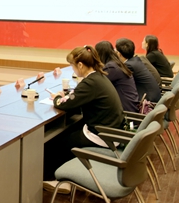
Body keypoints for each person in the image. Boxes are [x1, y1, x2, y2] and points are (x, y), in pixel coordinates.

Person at [43, 46, 126, 194]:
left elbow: (65, 104)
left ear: (80, 65)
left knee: (56, 142)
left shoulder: (90, 83)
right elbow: (79, 98)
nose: (73, 69)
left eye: (72, 65)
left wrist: (57, 97)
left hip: (102, 136)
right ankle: (65, 176)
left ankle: (59, 180)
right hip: (111, 132)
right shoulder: (99, 77)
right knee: (69, 132)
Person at [95, 41, 140, 113]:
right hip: (130, 105)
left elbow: (96, 84)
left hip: (125, 110)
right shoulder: (116, 63)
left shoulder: (111, 67)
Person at [115, 38, 161, 102]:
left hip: (147, 101)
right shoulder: (136, 60)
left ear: (119, 54)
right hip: (154, 96)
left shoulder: (129, 65)